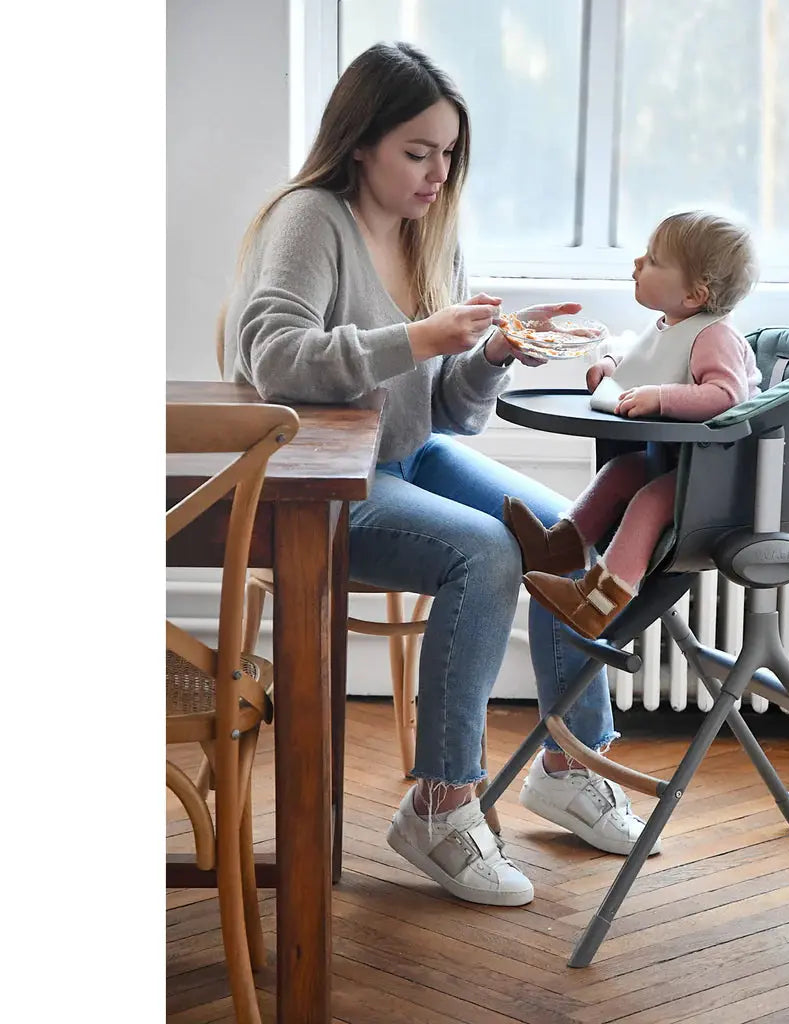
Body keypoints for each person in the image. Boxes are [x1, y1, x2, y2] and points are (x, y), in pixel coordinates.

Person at [220, 41, 658, 909]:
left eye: (448, 153)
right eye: (417, 152)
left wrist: (492, 353)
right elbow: (272, 358)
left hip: (404, 452)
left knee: (565, 533)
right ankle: (441, 805)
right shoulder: (311, 220)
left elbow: (446, 413)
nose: (437, 172)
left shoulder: (432, 232)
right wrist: (420, 337)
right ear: (359, 143)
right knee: (489, 554)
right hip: (315, 476)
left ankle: (571, 763)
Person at [504, 210, 761, 640]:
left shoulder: (715, 336)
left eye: (654, 260)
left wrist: (660, 397)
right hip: (682, 464)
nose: (638, 263)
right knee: (620, 472)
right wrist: (610, 368)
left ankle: (596, 603)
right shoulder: (672, 326)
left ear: (695, 295)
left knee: (648, 502)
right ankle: (556, 548)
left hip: (718, 479)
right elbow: (641, 360)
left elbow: (727, 396)